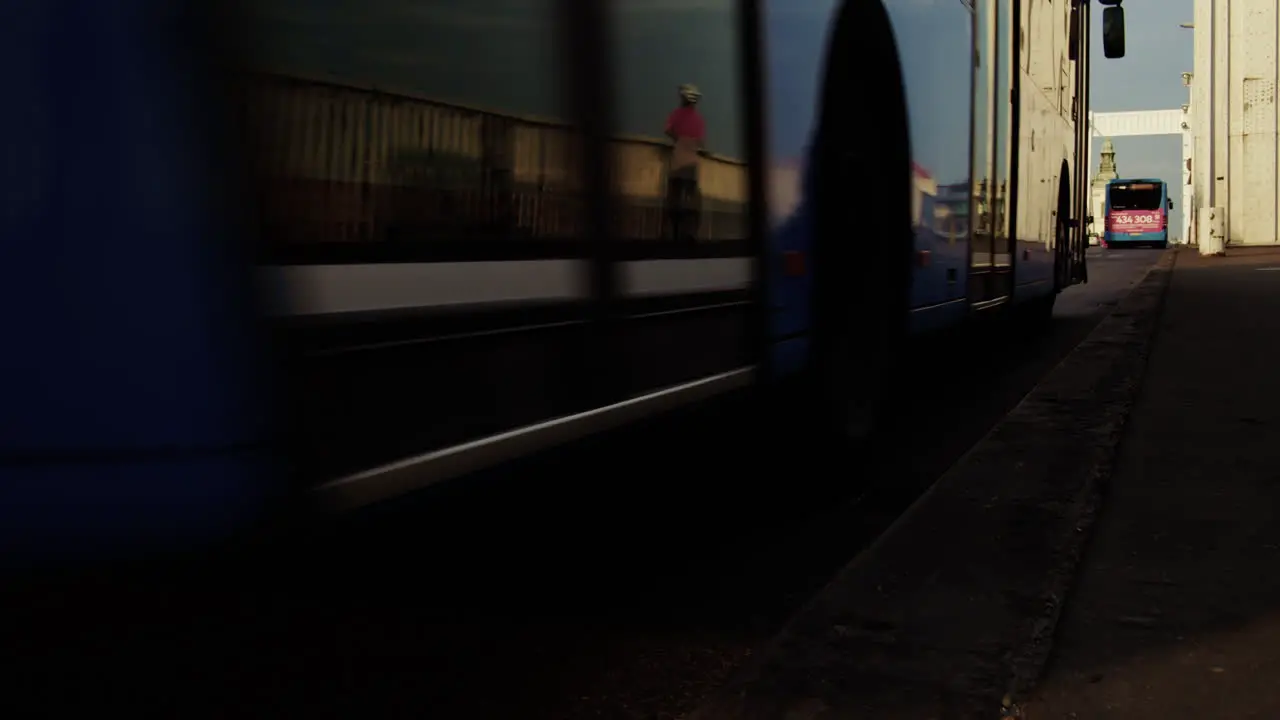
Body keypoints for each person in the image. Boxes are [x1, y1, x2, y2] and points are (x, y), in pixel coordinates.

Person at [664, 84, 706, 242]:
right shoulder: (699, 120)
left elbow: (667, 130)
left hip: (678, 161)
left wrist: (679, 139)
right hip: (692, 164)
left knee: (674, 196)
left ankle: (674, 232)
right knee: (690, 197)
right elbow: (701, 142)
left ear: (683, 99)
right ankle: (688, 233)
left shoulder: (676, 114)